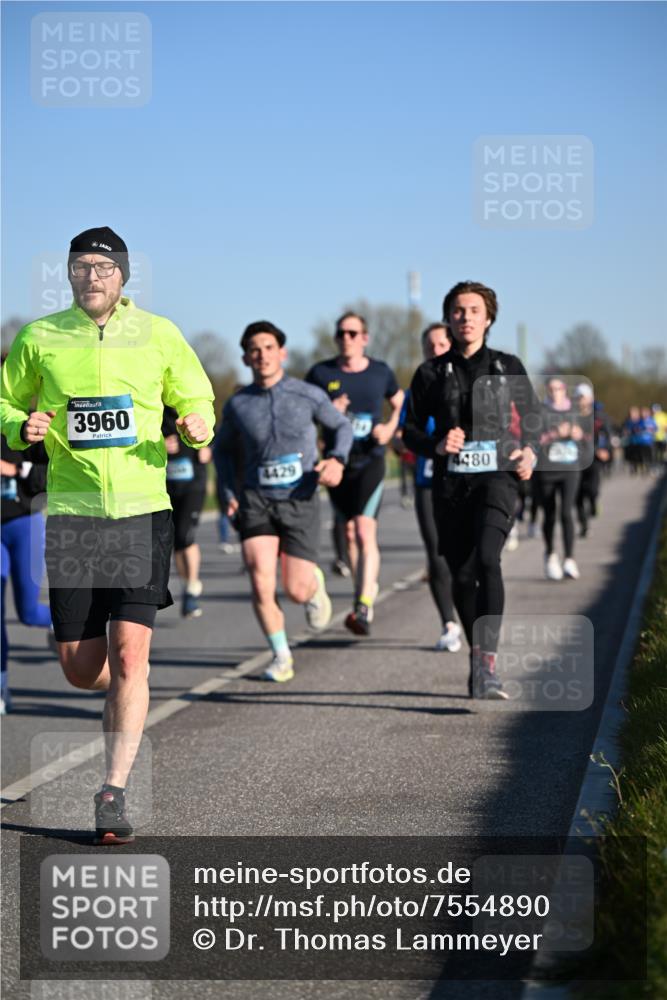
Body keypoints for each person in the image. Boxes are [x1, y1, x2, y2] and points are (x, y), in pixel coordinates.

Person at [0, 226, 215, 844]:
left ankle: (113, 792)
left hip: (142, 511)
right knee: (78, 667)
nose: (90, 277)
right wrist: (20, 426)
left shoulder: (159, 333)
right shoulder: (40, 337)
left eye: (102, 266)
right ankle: (130, 685)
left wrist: (198, 422)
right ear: (68, 275)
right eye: (80, 267)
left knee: (128, 655)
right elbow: (5, 403)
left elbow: (196, 397)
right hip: (72, 514)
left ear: (123, 274)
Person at [404, 280, 540, 699]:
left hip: (497, 479)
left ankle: (488, 665)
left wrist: (530, 452)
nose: (465, 317)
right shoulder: (429, 373)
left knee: (487, 559)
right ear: (448, 318)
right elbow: (409, 431)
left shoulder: (507, 366)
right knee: (461, 575)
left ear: (488, 318)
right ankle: (478, 658)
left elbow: (533, 418)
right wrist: (436, 444)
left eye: (474, 310)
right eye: (458, 311)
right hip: (450, 484)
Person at [214, 321, 353, 682]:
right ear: (246, 358)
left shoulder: (307, 394)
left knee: (295, 589)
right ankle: (280, 655)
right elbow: (222, 451)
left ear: (282, 353)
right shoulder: (238, 404)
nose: (262, 355)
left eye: (269, 348)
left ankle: (312, 586)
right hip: (256, 499)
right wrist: (227, 493)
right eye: (254, 350)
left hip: (300, 498)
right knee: (260, 578)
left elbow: (341, 426)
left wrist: (337, 459)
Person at [306, 312, 404, 636]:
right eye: (341, 333)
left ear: (365, 337)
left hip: (370, 460)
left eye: (352, 333)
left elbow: (401, 402)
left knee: (364, 529)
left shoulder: (380, 372)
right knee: (348, 533)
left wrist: (390, 428)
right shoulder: (321, 373)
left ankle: (363, 604)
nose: (346, 338)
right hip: (338, 463)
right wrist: (328, 412)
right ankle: (360, 591)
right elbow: (302, 411)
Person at [396, 323, 462, 652]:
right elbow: (404, 435)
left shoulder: (469, 384)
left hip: (466, 479)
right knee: (436, 553)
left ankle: (474, 615)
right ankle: (448, 623)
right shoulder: (416, 391)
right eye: (429, 346)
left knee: (467, 555)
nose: (436, 351)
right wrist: (415, 444)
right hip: (427, 480)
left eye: (442, 344)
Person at [1, 423, 52, 714]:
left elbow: (52, 474)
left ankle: (69, 623)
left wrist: (14, 470)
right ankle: (1, 686)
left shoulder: (25, 423)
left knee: (29, 613)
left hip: (22, 523)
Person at [162, 405, 212, 618]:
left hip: (193, 485)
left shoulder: (194, 404)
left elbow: (213, 432)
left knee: (185, 535)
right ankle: (188, 586)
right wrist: (160, 443)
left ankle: (192, 588)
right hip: (166, 485)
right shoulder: (156, 408)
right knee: (176, 540)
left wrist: (209, 447)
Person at [533, 378, 584, 581]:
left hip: (570, 468)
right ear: (547, 391)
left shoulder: (575, 411)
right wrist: (554, 434)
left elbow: (587, 436)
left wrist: (578, 434)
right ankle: (551, 555)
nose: (555, 392)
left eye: (559, 388)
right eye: (551, 389)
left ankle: (569, 559)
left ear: (565, 390)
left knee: (566, 512)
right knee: (550, 515)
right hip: (547, 470)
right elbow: (534, 439)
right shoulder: (540, 411)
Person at [574, 385, 611, 538]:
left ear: (590, 398)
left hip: (594, 459)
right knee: (577, 496)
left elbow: (607, 436)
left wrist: (605, 450)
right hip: (575, 460)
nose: (580, 400)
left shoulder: (599, 418)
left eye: (583, 397)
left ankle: (594, 503)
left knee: (592, 490)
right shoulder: (571, 416)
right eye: (578, 397)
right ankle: (584, 526)